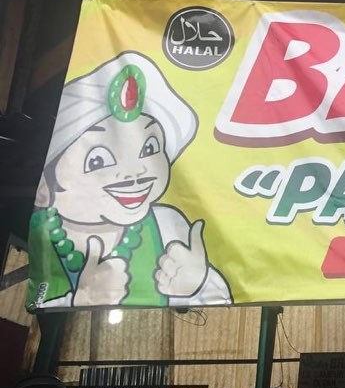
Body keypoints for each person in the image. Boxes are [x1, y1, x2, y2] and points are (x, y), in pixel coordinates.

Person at [28, 52, 231, 308]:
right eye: (98, 160)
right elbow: (39, 298)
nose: (134, 173)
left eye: (149, 148)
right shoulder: (43, 231)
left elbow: (222, 292)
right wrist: (81, 298)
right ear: (46, 187)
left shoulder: (167, 223)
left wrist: (198, 284)